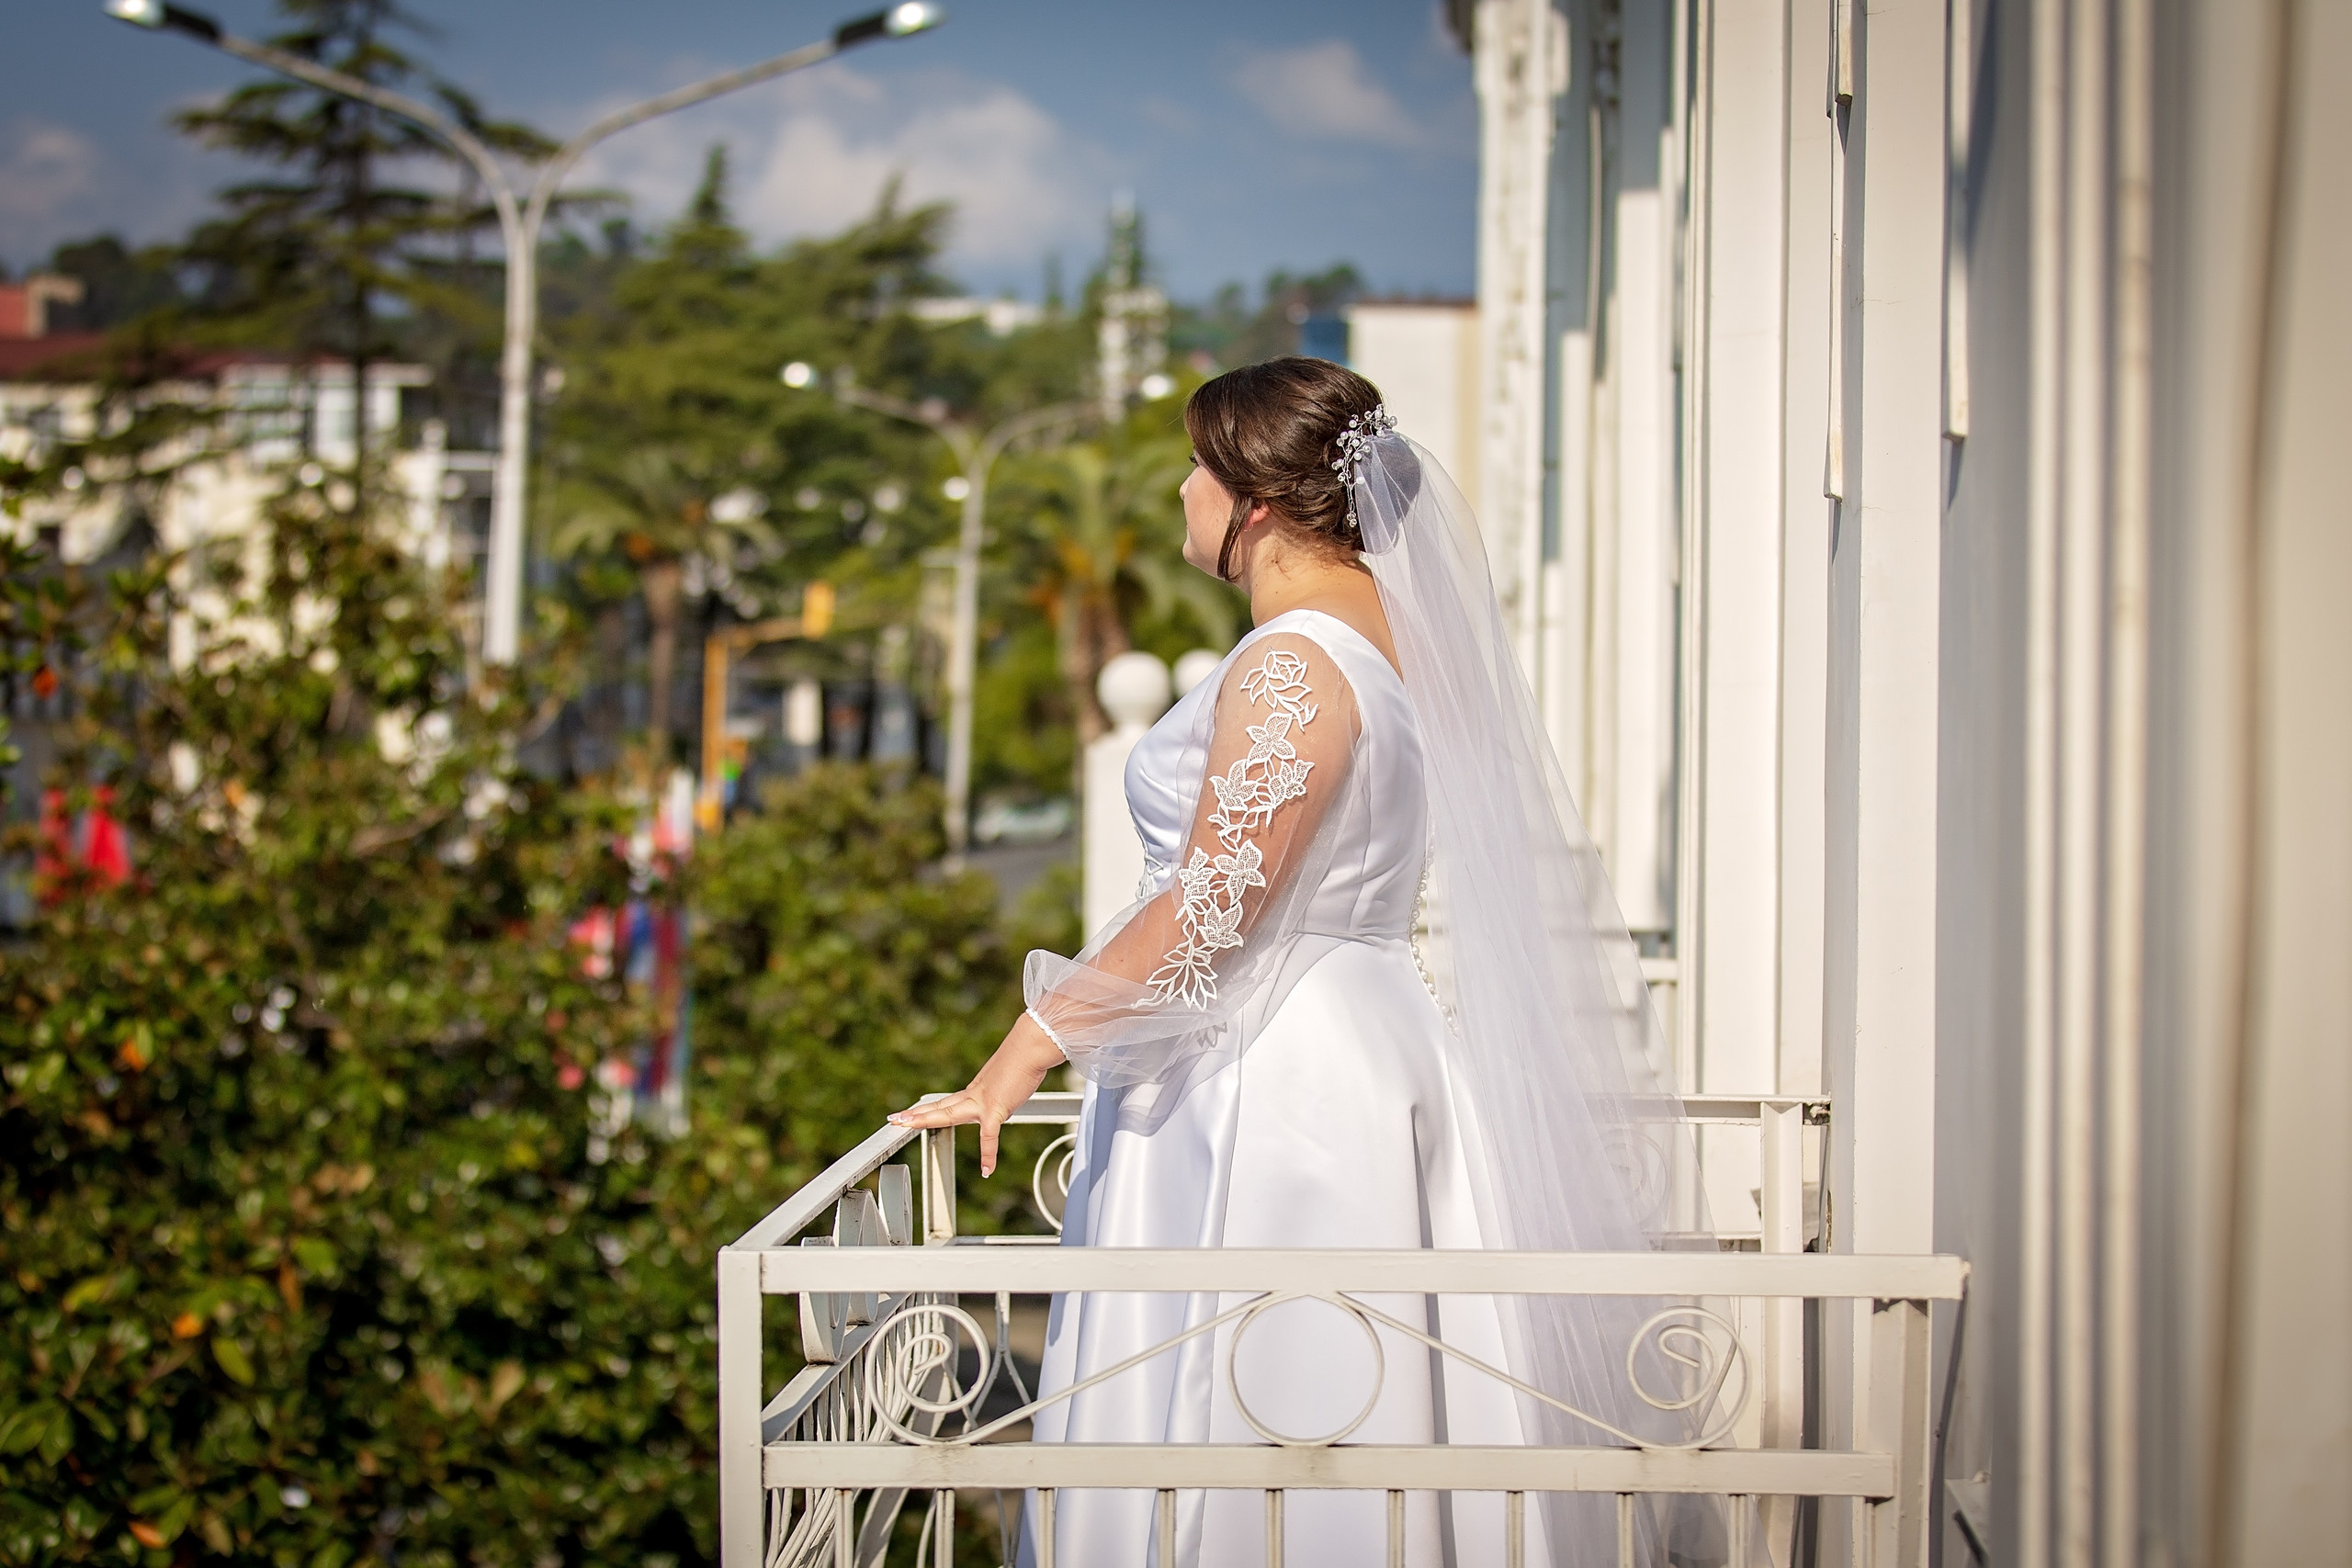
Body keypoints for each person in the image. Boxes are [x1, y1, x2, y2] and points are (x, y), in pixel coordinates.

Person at [890, 358, 1724, 1566]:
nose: (1181, 493)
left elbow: (1215, 905)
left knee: (1272, 1385)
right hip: (1357, 1030)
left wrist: (1023, 1051)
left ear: (1259, 504)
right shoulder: (1390, 645)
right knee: (1356, 1383)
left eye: (1197, 468)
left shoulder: (1295, 662)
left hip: (1276, 1073)